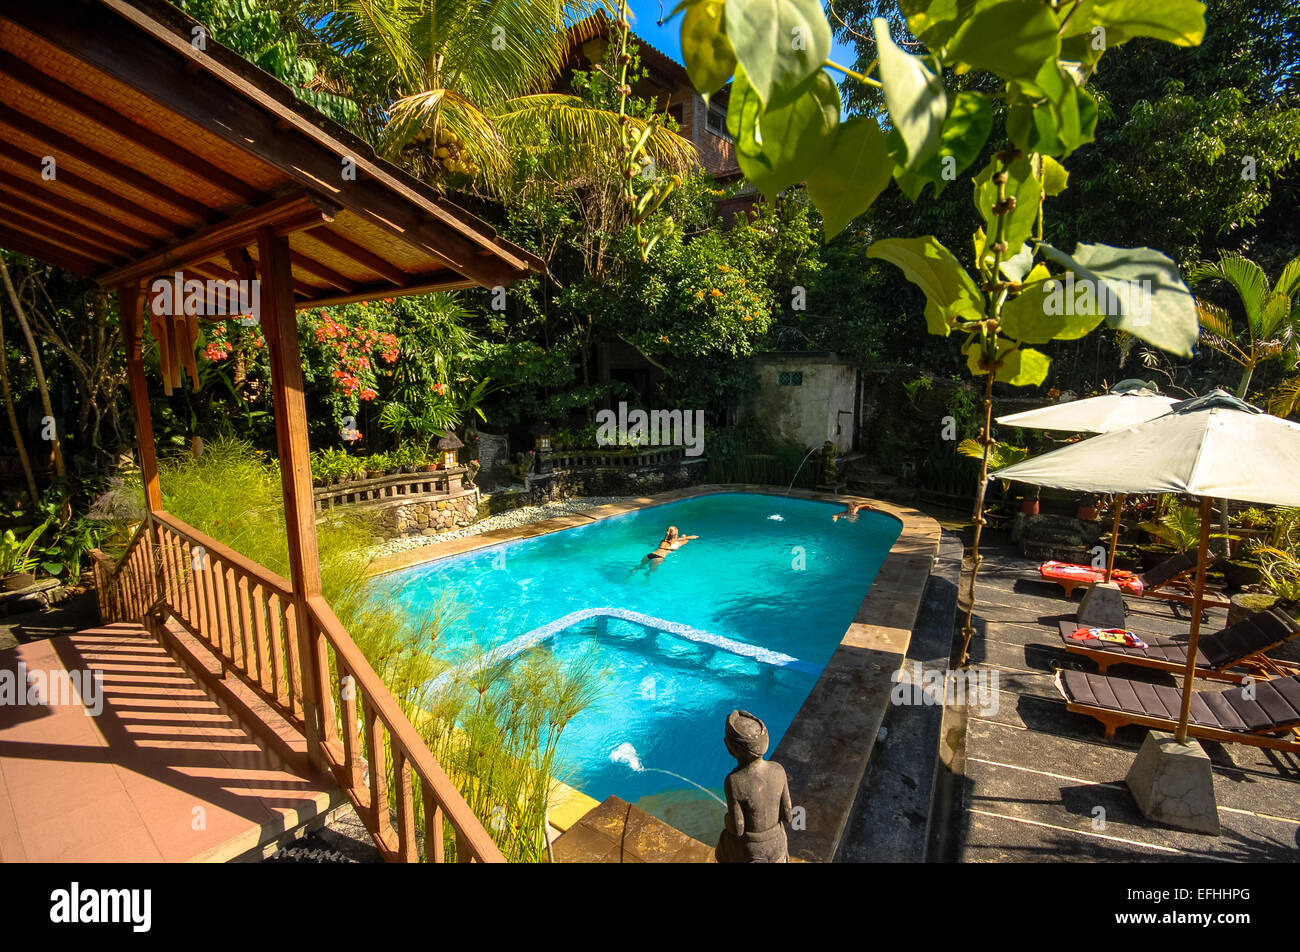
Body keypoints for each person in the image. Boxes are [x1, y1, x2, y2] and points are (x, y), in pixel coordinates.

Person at [715, 710, 792, 863]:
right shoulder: (778, 770)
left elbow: (738, 828)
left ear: (729, 747)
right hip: (778, 844)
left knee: (725, 840)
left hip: (752, 851)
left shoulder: (734, 782)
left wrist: (726, 819)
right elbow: (788, 815)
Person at [629, 525, 698, 575]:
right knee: (651, 571)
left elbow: (673, 539)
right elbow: (687, 540)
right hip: (659, 558)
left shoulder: (663, 541)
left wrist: (681, 538)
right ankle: (646, 579)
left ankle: (630, 574)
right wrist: (685, 537)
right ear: (676, 534)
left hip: (650, 554)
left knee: (639, 566)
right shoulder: (677, 543)